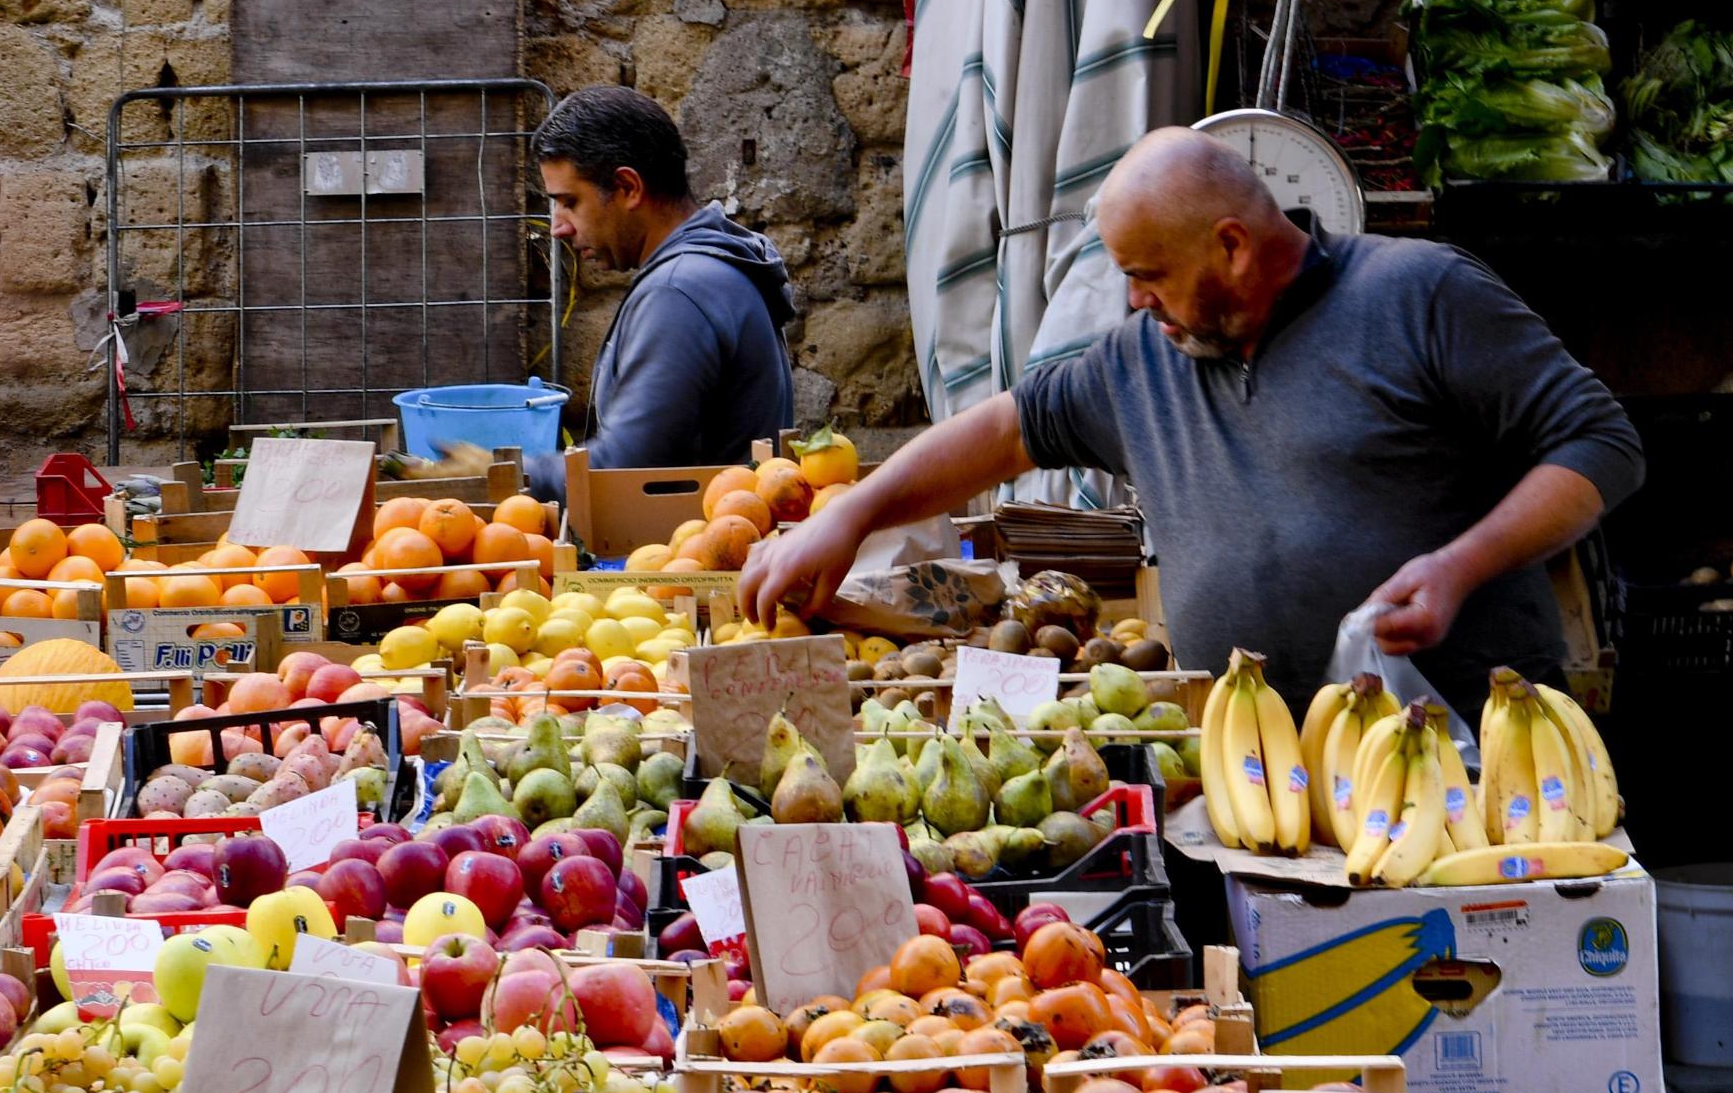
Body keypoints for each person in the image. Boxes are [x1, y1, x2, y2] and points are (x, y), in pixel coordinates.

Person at [741, 126, 1643, 722]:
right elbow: (1007, 429)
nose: (1135, 299)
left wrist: (1458, 567)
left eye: (1149, 274)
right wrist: (848, 515)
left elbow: (1601, 445)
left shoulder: (1419, 294)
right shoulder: (1144, 356)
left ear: (1233, 246)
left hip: (1470, 751)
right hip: (1261, 775)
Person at [523, 86, 797, 504]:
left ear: (628, 187)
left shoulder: (679, 291)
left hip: (697, 561)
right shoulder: (706, 270)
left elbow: (624, 470)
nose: (558, 226)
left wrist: (504, 474)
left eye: (570, 202)